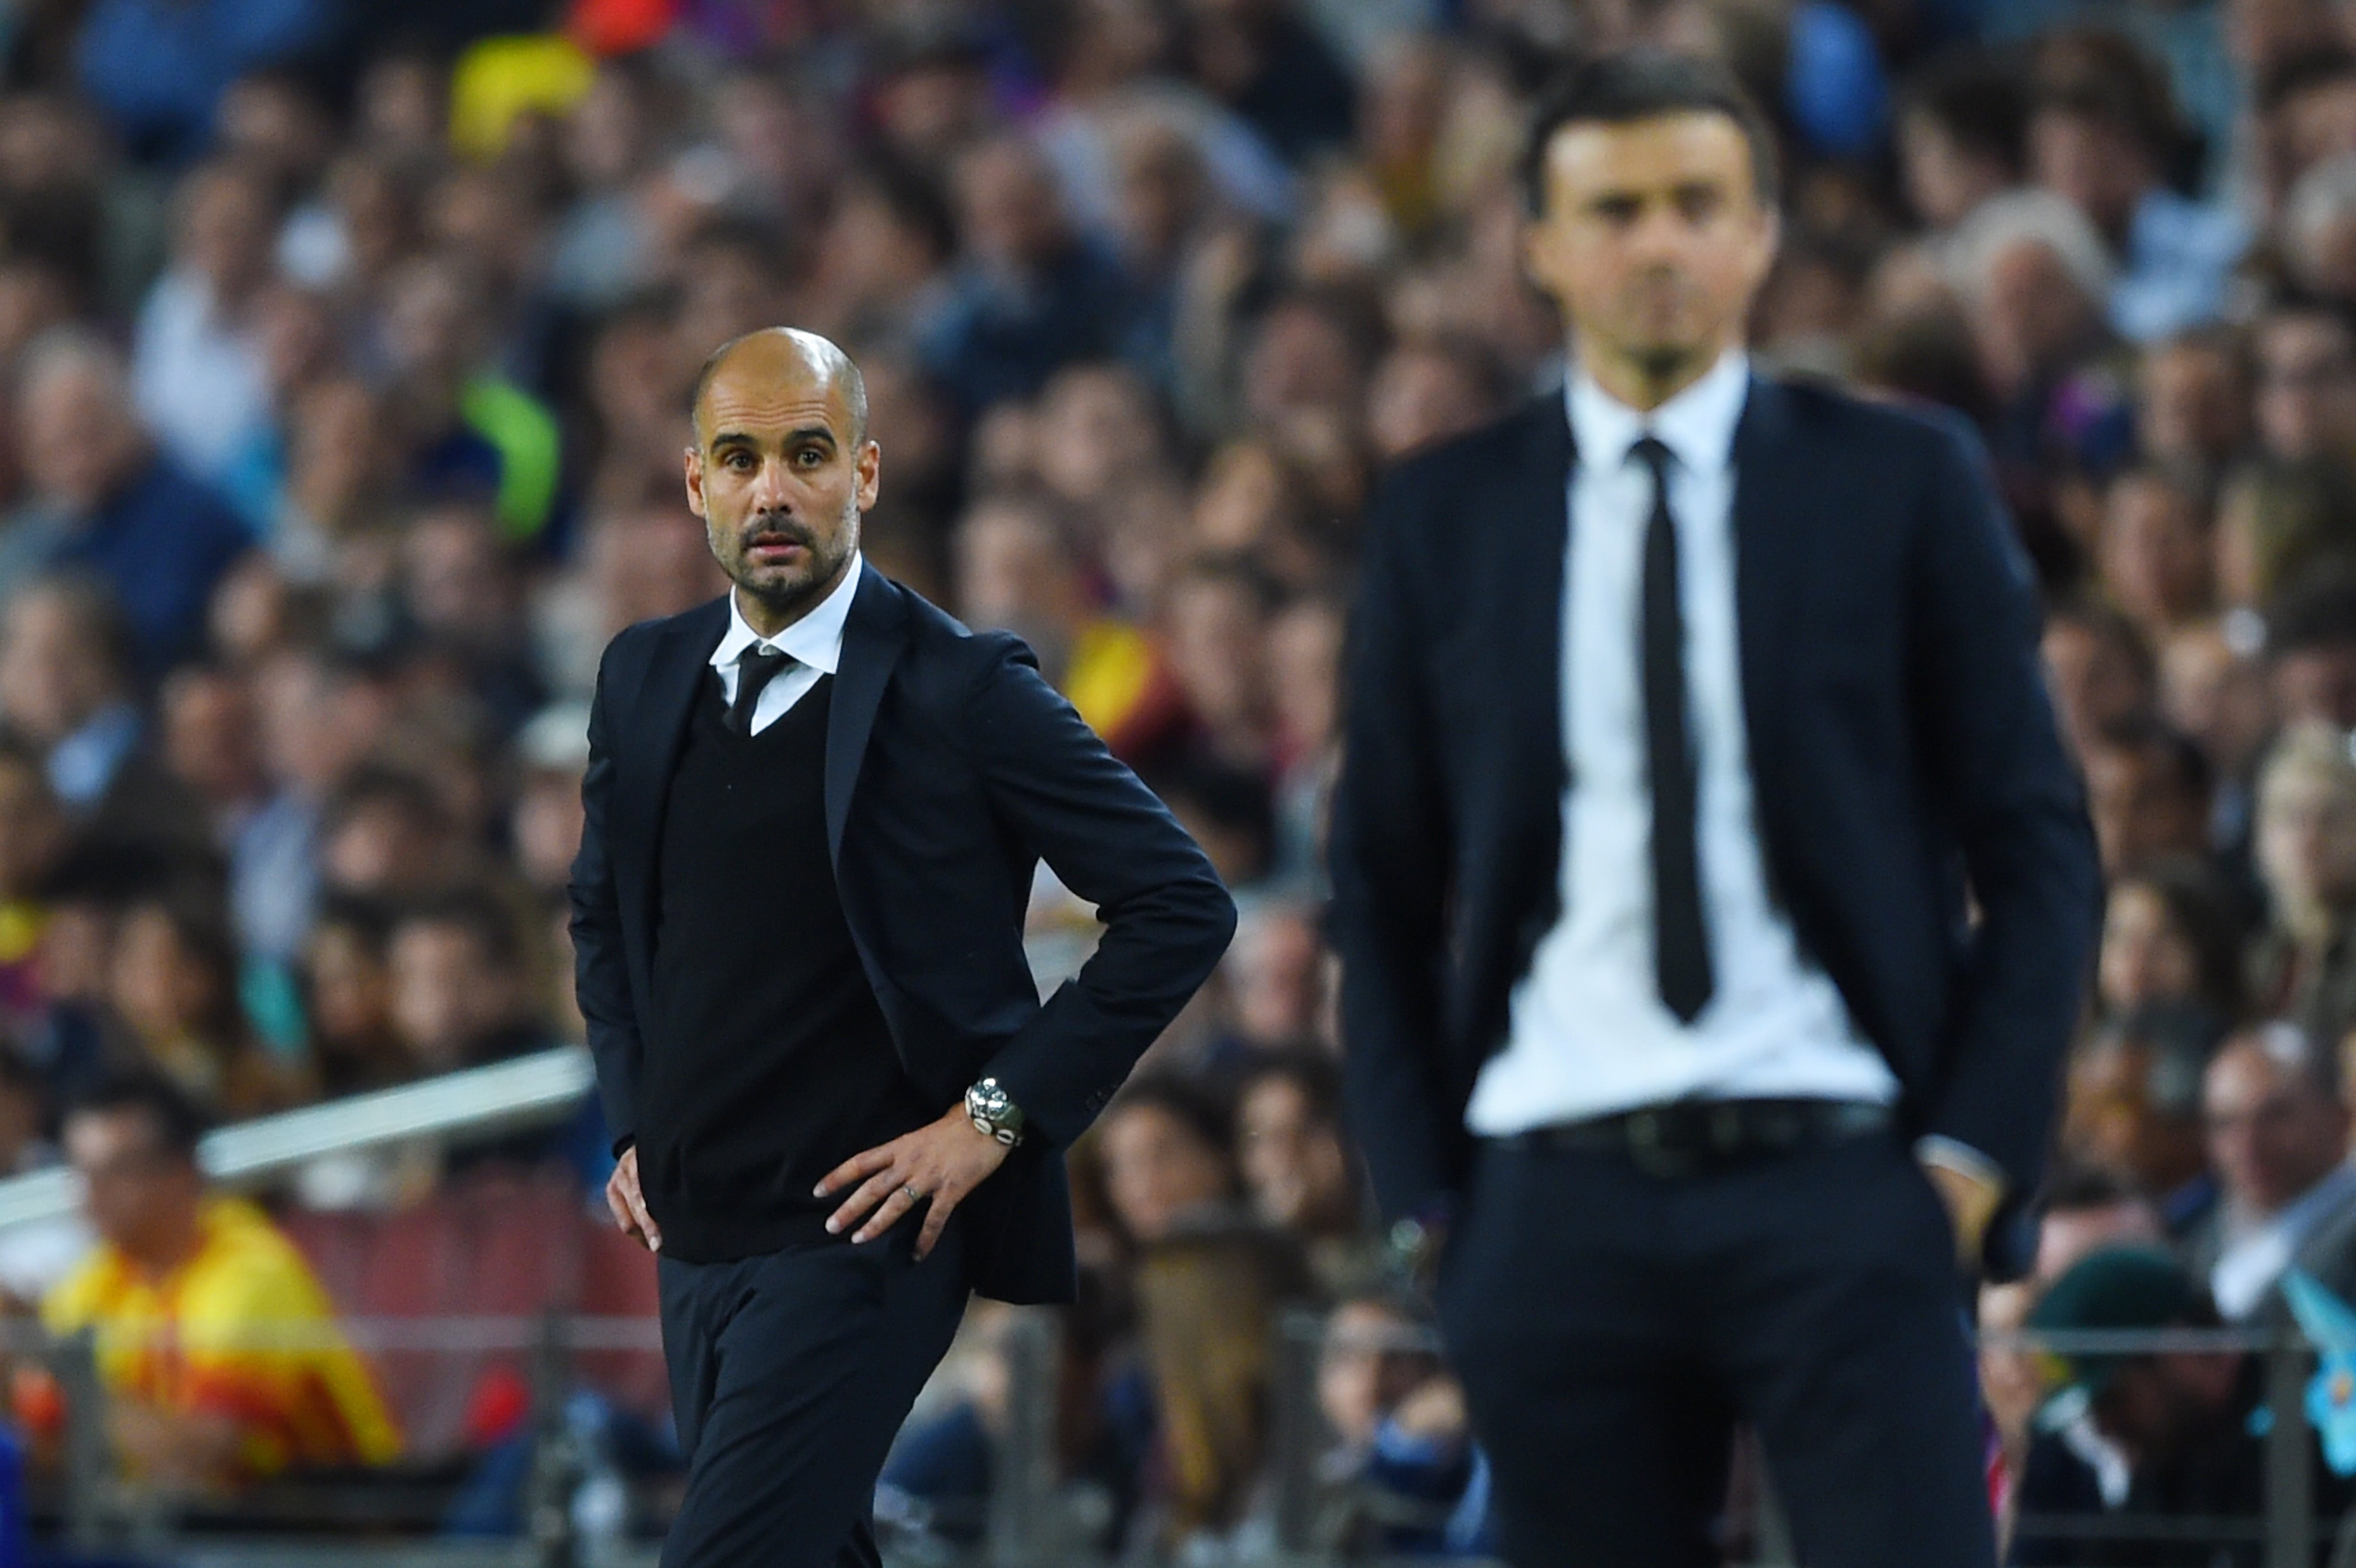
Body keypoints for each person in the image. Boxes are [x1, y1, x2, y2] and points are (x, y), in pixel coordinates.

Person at [1328, 51, 2102, 1568]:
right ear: (1540, 246)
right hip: (1545, 1189)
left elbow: (2037, 845)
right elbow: (1379, 881)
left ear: (1759, 234)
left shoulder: (1901, 481)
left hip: (1844, 1174)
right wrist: (1431, 1207)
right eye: (1613, 210)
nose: (1658, 241)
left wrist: (1965, 1160)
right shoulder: (1445, 514)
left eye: (1695, 203)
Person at [569, 326, 1234, 1566]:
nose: (774, 489)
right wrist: (628, 1119)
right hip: (696, 1235)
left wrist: (991, 1119)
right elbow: (606, 917)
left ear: (865, 476)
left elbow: (1181, 907)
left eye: (808, 454)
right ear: (695, 482)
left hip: (864, 1247)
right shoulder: (643, 677)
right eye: (742, 457)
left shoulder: (963, 689)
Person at [37, 1071, 401, 1494]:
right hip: (197, 1537)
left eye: (118, 1171)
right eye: (80, 1172)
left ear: (185, 1173)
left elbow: (203, 1459)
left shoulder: (252, 1271)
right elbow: (45, 1444)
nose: (91, 1194)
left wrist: (58, 1366)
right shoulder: (94, 1280)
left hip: (327, 1532)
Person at [2185, 1022, 2356, 1319]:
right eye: (2225, 1123)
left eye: (2275, 1117)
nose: (2247, 1144)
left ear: (2340, 1117)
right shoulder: (2197, 1240)